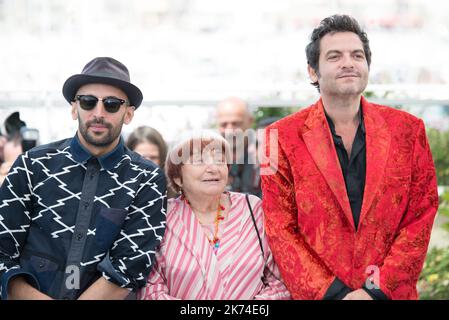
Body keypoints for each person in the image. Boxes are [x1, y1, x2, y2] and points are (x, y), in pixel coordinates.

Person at [261, 14, 438, 300]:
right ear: (312, 72)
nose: (348, 63)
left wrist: (374, 291)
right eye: (334, 56)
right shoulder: (275, 137)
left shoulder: (409, 129)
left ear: (367, 65)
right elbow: (280, 227)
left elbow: (421, 213)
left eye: (357, 55)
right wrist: (335, 294)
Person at [0, 57, 167, 300]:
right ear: (74, 108)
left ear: (128, 114)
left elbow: (130, 265)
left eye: (111, 104)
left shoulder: (146, 178)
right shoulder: (31, 165)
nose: (98, 113)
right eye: (88, 102)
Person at [139, 130, 290, 300]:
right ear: (178, 177)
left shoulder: (252, 208)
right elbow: (150, 288)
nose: (213, 168)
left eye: (219, 159)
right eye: (198, 160)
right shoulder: (161, 216)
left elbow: (280, 281)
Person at [216, 97, 261, 197]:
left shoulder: (265, 155)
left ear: (250, 121)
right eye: (224, 124)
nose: (229, 130)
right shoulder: (207, 158)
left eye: (236, 123)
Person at [126, 126, 176, 198]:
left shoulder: (175, 198)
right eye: (141, 158)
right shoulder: (116, 191)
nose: (147, 164)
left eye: (153, 158)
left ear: (162, 159)